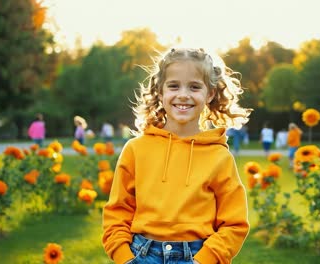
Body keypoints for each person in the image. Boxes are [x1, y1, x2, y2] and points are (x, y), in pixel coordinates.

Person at [102, 48, 251, 264]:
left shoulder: (219, 157)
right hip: (141, 255)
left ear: (209, 94)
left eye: (194, 87)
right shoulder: (136, 149)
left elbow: (234, 224)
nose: (183, 94)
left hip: (198, 256)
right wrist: (124, 258)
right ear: (160, 93)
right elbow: (117, 212)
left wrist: (204, 260)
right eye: (173, 86)